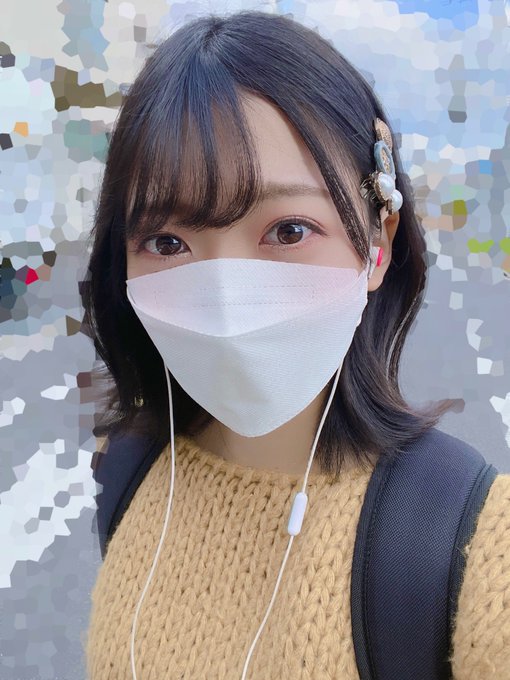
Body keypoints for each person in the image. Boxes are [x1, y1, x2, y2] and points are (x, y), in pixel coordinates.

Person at [81, 10, 510, 679]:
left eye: (288, 230)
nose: (226, 296)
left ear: (377, 243)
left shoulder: (479, 546)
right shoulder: (132, 471)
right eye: (167, 241)